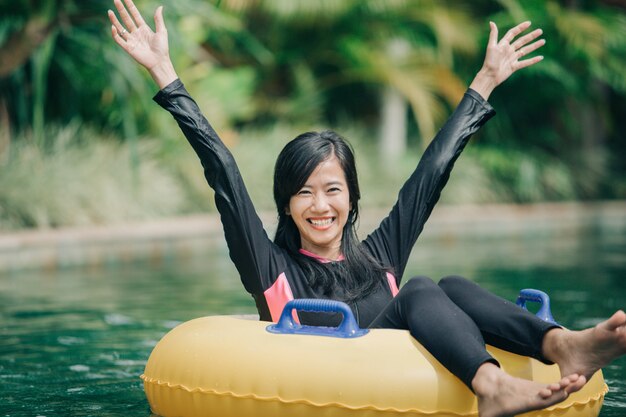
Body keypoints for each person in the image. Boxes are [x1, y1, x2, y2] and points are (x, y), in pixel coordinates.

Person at [108, 1, 626, 416]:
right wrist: (165, 75)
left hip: (404, 389)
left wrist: (484, 82)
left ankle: (561, 346)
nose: (320, 205)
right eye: (304, 192)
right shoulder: (270, 268)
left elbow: (431, 174)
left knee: (452, 287)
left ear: (352, 198)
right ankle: (491, 385)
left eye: (333, 189)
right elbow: (223, 172)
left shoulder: (380, 257)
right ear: (286, 205)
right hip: (334, 390)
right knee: (422, 288)